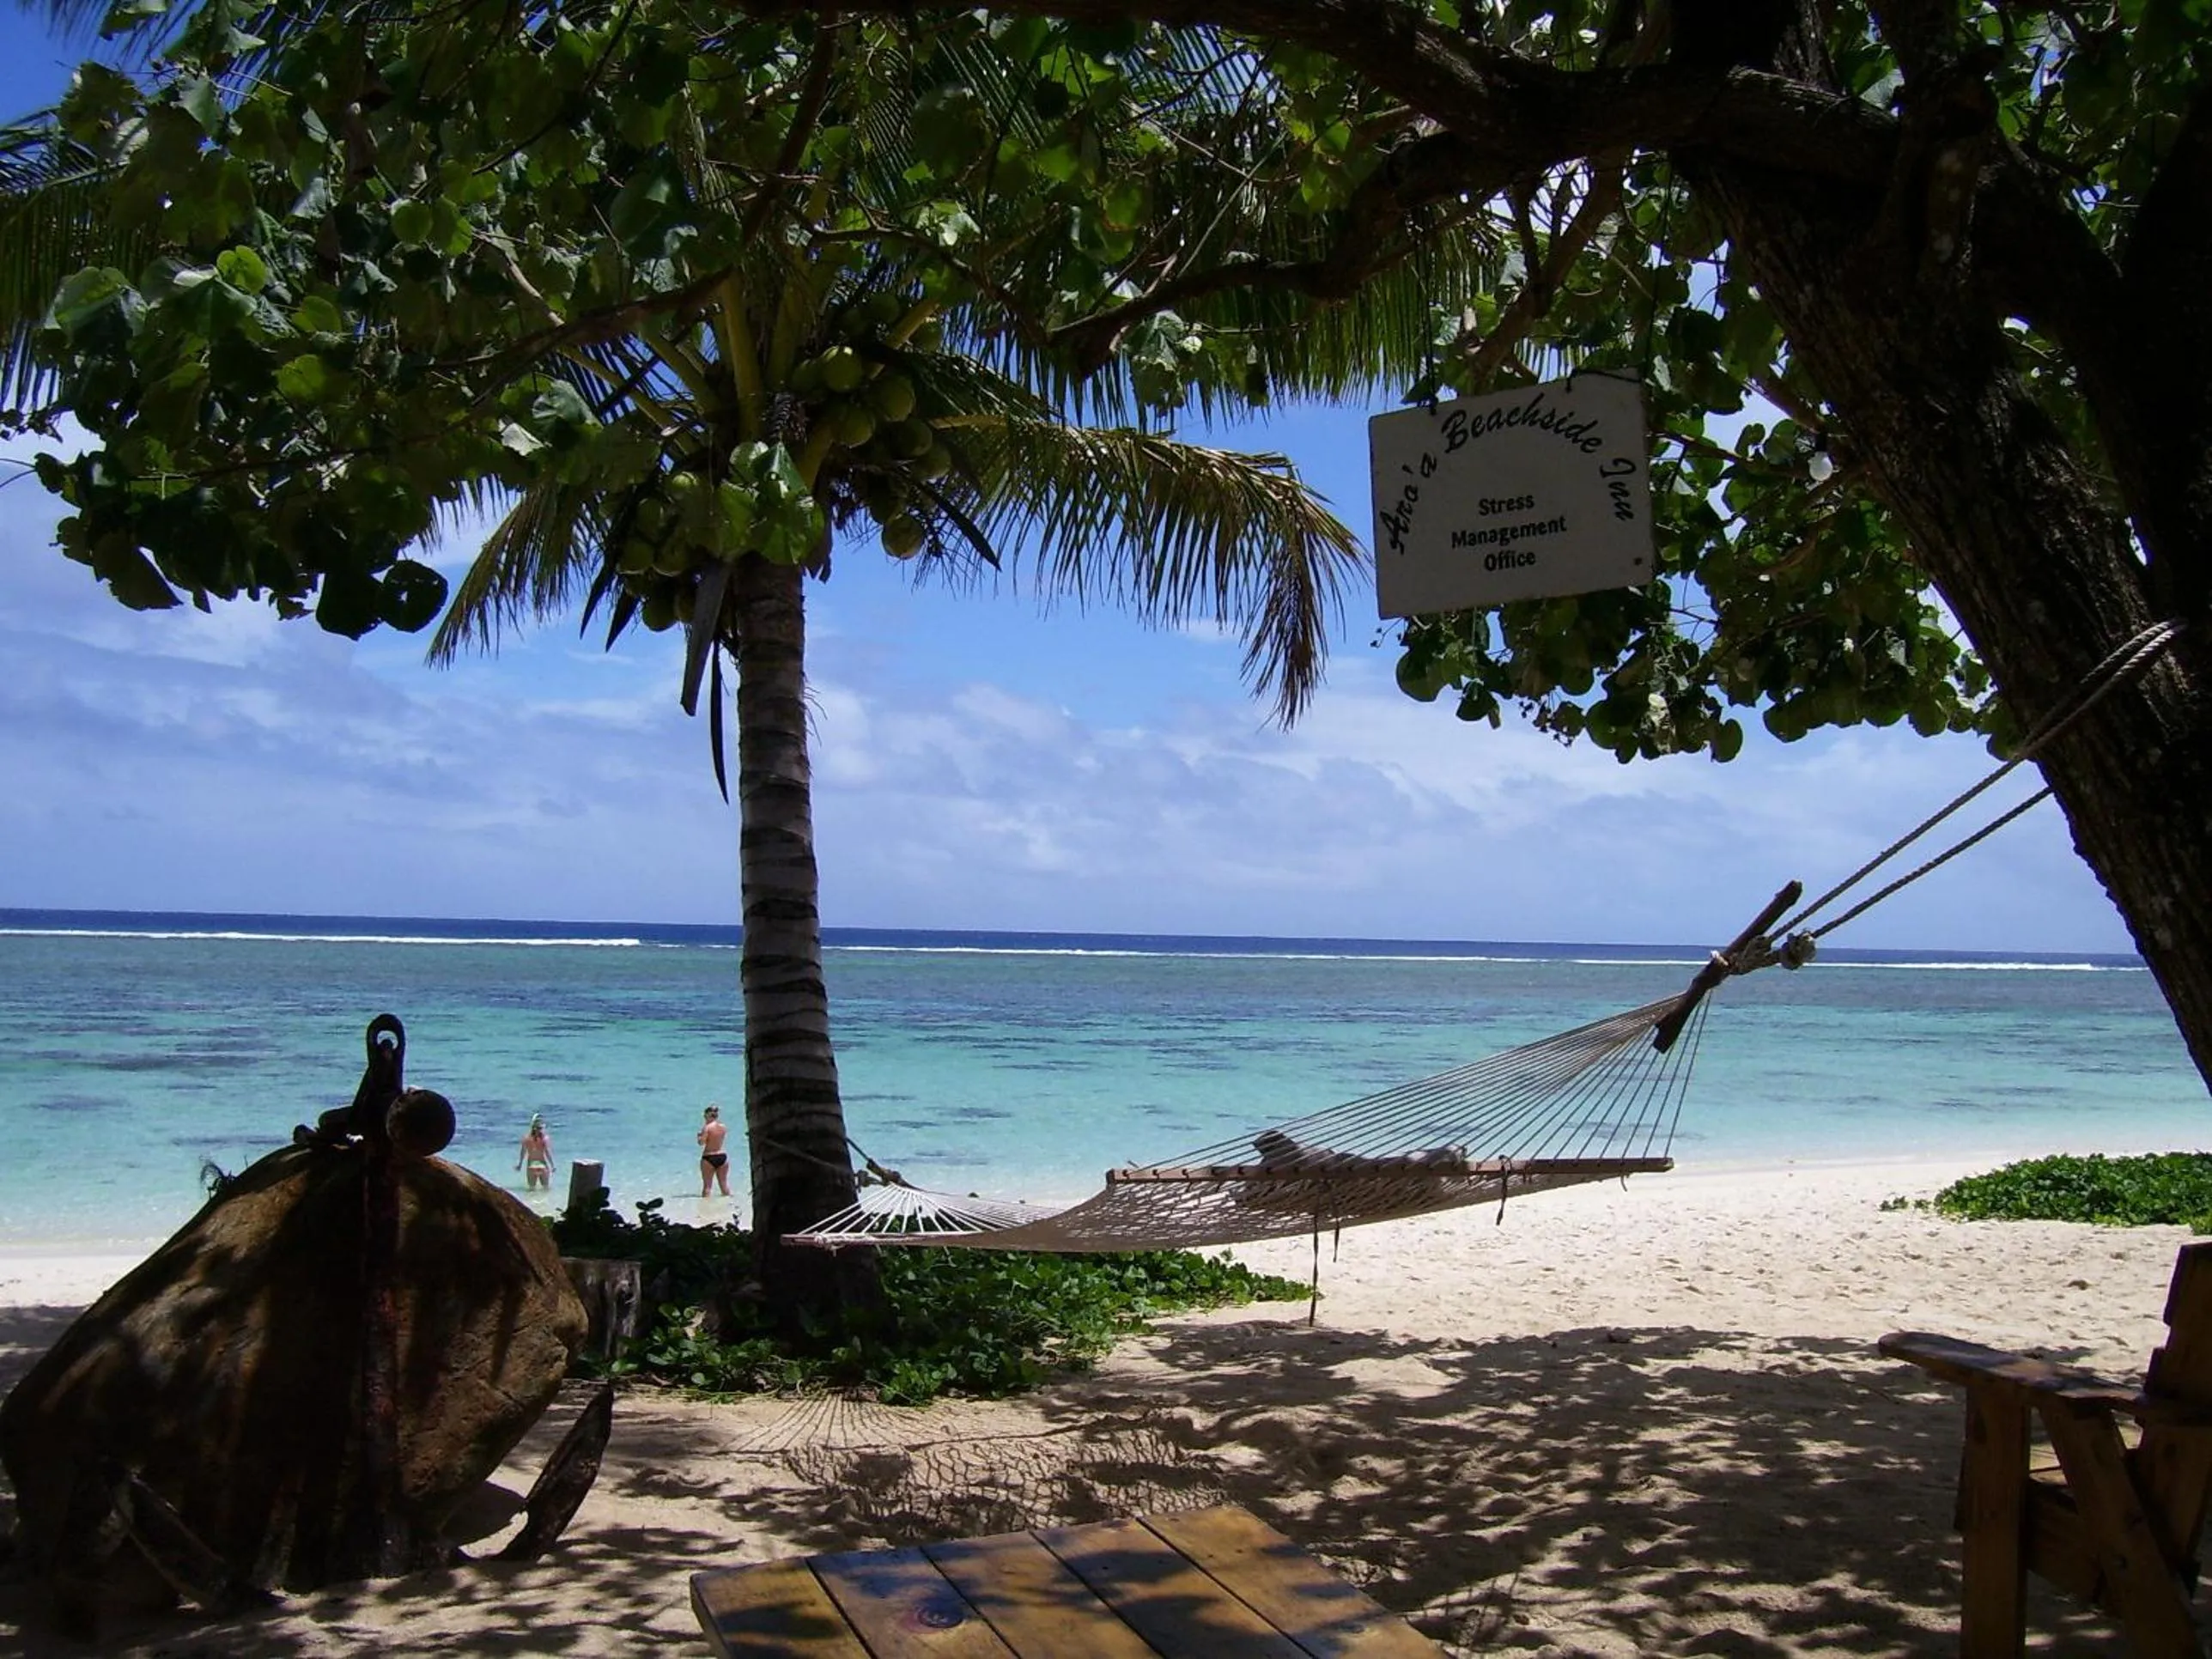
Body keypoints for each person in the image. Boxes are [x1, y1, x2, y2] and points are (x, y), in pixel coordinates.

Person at [697, 1103, 730, 1197]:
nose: (704, 1117)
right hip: (722, 1156)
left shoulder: (707, 1128)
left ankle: (706, 1209)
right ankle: (729, 1206)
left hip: (709, 1156)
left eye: (705, 1115)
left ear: (708, 1115)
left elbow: (702, 1143)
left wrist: (699, 1137)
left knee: (707, 1187)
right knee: (724, 1186)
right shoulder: (723, 1127)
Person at [517, 1114, 554, 1191]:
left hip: (531, 1166)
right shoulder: (545, 1138)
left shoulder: (526, 1138)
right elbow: (547, 1152)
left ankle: (532, 1203)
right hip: (542, 1166)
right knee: (546, 1190)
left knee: (531, 1190)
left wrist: (520, 1165)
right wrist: (552, 1165)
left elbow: (523, 1152)